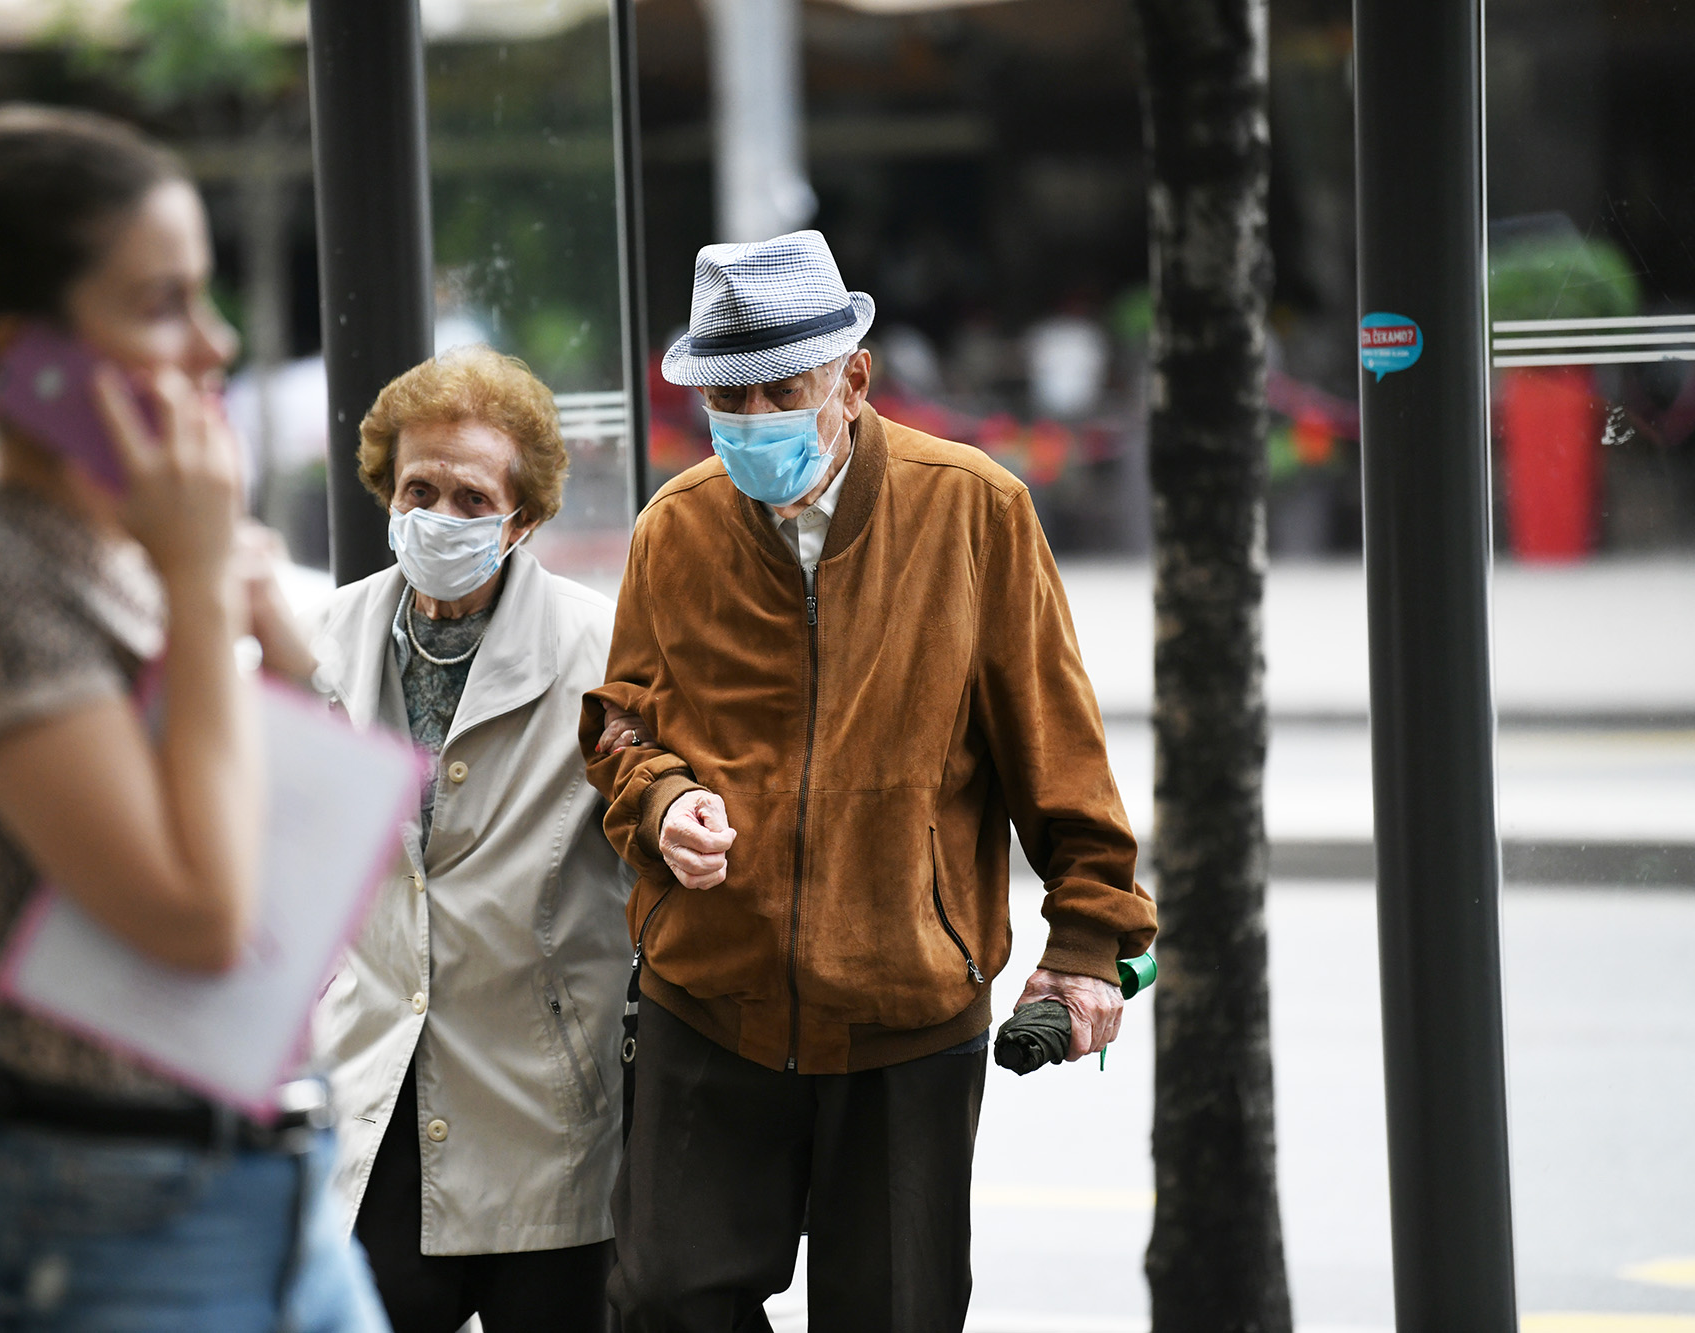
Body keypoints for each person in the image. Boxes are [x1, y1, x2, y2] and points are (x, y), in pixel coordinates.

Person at [0, 105, 387, 1331]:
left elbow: (306, 879)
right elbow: (202, 918)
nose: (213, 345)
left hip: (278, 1195)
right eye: (161, 305)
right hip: (113, 1229)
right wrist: (192, 592)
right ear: (31, 357)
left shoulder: (132, 555)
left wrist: (254, 630)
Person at [581, 229, 1159, 1331]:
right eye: (727, 400)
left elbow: (1056, 747)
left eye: (778, 391)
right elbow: (620, 728)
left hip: (907, 1011)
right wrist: (660, 802)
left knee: (895, 1313)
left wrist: (1088, 942)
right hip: (707, 999)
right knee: (659, 1299)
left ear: (851, 376)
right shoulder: (674, 527)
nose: (751, 424)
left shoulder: (973, 510)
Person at [310, 346, 630, 1332]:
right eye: (418, 489)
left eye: (469, 497)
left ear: (522, 518)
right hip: (375, 1094)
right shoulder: (322, 642)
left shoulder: (600, 649)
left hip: (544, 1108)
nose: (438, 517)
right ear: (385, 491)